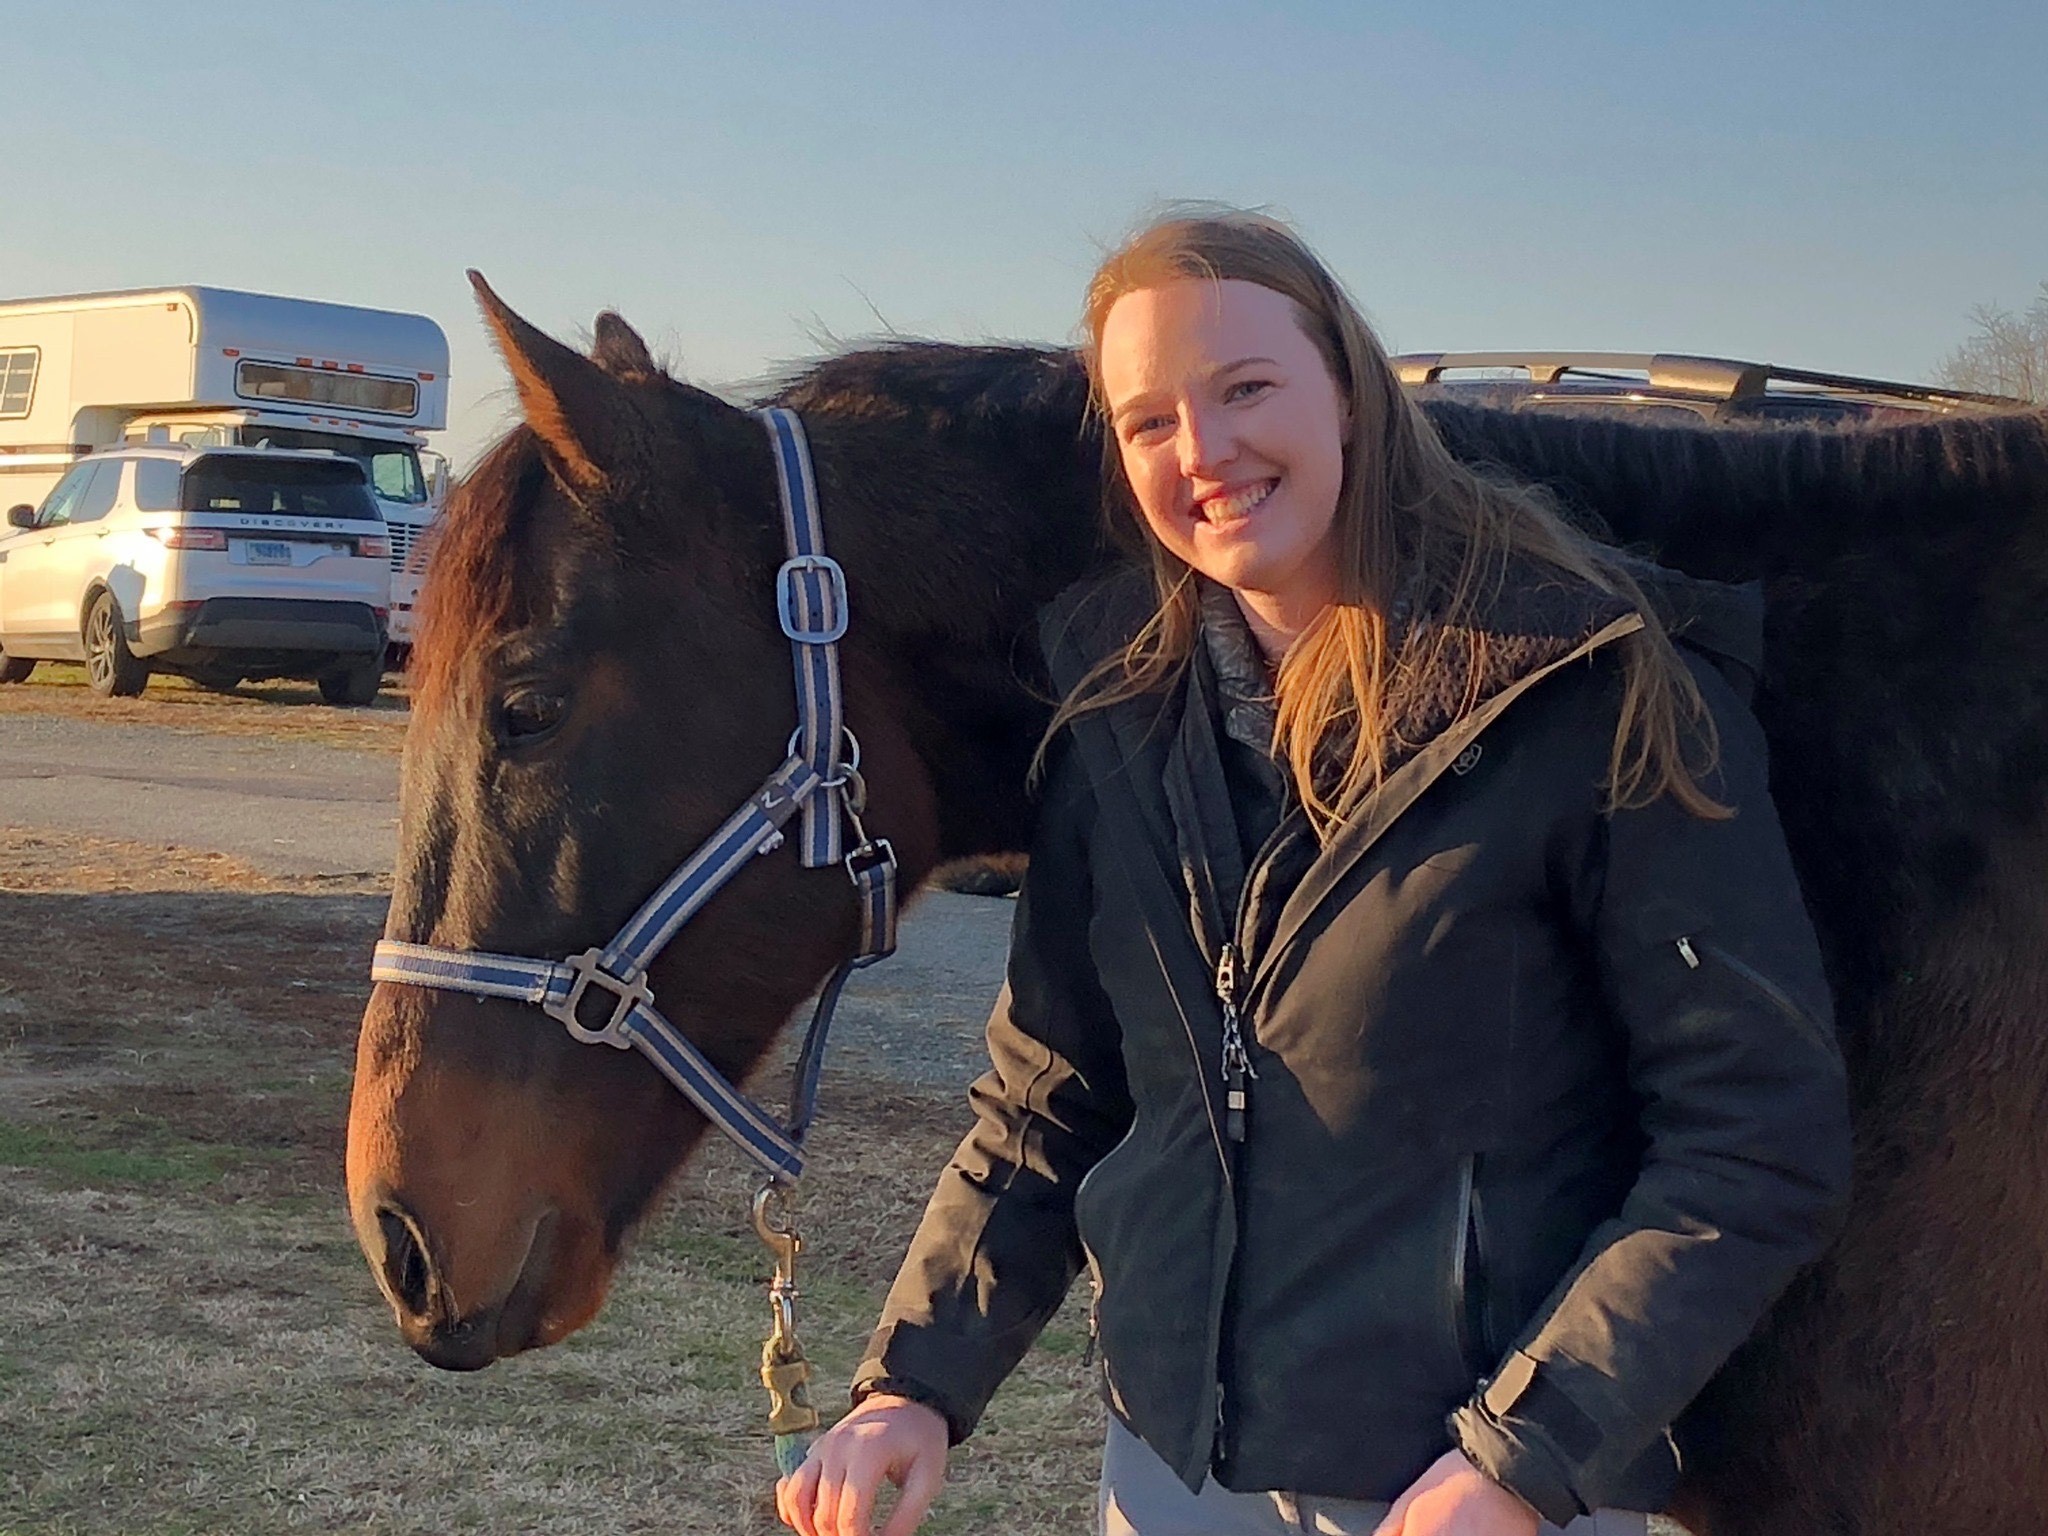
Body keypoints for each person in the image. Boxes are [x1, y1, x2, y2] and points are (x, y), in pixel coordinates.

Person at [776, 210, 1852, 1536]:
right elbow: (1049, 1101)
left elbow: (1756, 1139)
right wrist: (912, 1386)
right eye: (1151, 420)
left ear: (1347, 391)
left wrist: (1523, 1459)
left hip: (1477, 1497)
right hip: (1173, 1473)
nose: (1203, 451)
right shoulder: (1117, 715)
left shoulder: (1598, 693)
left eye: (1244, 389)